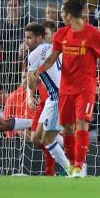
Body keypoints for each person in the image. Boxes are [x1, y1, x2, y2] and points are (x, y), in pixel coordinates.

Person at [31, 0, 100, 178]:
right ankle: (72, 162)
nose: (60, 14)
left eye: (61, 11)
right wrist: (39, 71)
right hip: (66, 88)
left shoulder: (93, 34)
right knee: (67, 128)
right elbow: (52, 58)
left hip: (86, 88)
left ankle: (79, 165)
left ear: (68, 15)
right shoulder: (61, 34)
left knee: (82, 122)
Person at [24, 22, 70, 175]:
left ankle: (71, 168)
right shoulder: (54, 49)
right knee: (36, 138)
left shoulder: (34, 54)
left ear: (39, 38)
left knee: (47, 139)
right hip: (54, 96)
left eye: (29, 38)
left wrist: (29, 76)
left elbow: (31, 85)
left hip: (57, 97)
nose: (26, 41)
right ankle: (72, 148)